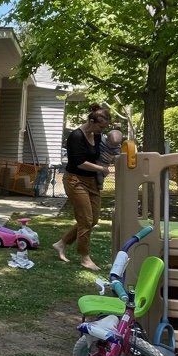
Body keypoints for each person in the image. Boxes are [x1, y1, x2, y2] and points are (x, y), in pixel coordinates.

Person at [52, 105, 113, 270]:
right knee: (85, 220)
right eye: (101, 126)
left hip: (91, 182)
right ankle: (84, 257)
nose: (102, 130)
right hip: (74, 180)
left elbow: (102, 152)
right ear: (91, 121)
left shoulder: (97, 134)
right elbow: (80, 163)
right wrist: (101, 169)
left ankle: (61, 243)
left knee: (93, 220)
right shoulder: (76, 136)